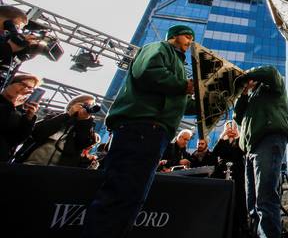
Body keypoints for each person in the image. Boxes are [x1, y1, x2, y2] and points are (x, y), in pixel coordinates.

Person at [80, 24, 196, 238]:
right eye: (187, 35)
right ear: (174, 36)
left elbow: (178, 102)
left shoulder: (178, 66)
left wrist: (209, 105)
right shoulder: (158, 48)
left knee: (131, 196)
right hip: (142, 127)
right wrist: (183, 85)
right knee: (123, 193)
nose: (190, 41)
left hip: (151, 130)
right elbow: (148, 72)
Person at [233, 65, 288, 238]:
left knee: (265, 197)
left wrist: (244, 76)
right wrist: (243, 93)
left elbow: (271, 73)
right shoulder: (251, 98)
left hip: (268, 139)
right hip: (251, 149)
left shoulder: (272, 86)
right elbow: (237, 116)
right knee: (252, 205)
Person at [16, 94, 97, 167]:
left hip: (57, 172)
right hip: (29, 164)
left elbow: (83, 144)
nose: (87, 108)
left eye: (90, 106)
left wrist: (84, 122)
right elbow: (38, 132)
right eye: (85, 105)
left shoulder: (86, 126)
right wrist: (67, 115)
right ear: (73, 104)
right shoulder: (53, 117)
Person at [212, 121, 247, 238]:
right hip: (221, 171)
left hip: (237, 172)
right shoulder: (223, 141)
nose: (231, 130)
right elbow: (214, 153)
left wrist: (238, 136)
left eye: (233, 128)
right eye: (228, 128)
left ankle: (240, 229)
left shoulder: (239, 141)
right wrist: (222, 137)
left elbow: (244, 151)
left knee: (238, 198)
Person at [0, 73, 41, 161]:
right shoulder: (9, 107)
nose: (25, 89)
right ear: (10, 83)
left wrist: (29, 118)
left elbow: (18, 140)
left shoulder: (19, 112)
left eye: (30, 88)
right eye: (23, 84)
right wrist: (12, 104)